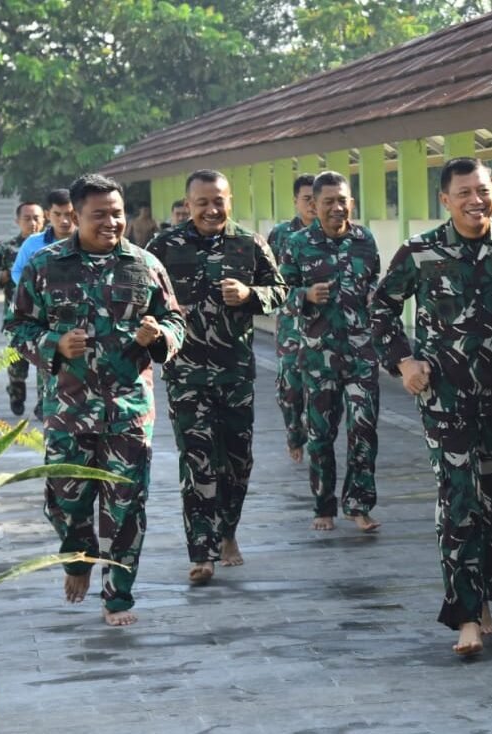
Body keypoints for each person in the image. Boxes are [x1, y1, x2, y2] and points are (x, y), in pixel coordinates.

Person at [370, 157, 492, 656]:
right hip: (446, 399)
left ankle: (482, 598)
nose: (476, 200)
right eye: (465, 193)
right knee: (460, 501)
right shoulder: (421, 252)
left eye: (484, 191)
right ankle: (465, 618)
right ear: (445, 199)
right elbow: (380, 311)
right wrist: (404, 362)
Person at [7, 173, 185, 627]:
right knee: (64, 504)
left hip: (128, 410)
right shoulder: (45, 265)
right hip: (69, 411)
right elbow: (17, 326)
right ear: (76, 217)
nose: (111, 222)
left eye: (117, 213)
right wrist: (54, 344)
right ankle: (77, 559)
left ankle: (118, 596)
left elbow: (176, 323)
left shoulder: (146, 265)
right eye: (99, 214)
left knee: (126, 505)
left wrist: (159, 335)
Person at [146, 169, 287, 586]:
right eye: (202, 202)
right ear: (188, 205)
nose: (211, 209)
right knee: (198, 461)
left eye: (218, 201)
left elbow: (279, 289)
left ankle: (228, 530)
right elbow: (143, 295)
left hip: (236, 373)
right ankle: (201, 551)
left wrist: (251, 295)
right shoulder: (164, 247)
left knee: (238, 460)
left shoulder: (249, 243)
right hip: (185, 375)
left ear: (230, 201)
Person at [281, 171, 382, 532]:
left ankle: (358, 504)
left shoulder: (364, 240)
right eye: (329, 202)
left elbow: (374, 285)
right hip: (318, 355)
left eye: (343, 201)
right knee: (321, 436)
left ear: (351, 202)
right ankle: (323, 506)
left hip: (361, 353)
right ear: (315, 204)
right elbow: (280, 293)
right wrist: (304, 296)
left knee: (364, 427)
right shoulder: (297, 243)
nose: (338, 208)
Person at [10, 189, 78, 420]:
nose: (65, 220)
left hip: (80, 316)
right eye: (58, 214)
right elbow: (17, 271)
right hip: (43, 316)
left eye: (69, 213)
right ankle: (44, 406)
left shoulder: (86, 239)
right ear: (49, 215)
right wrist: (33, 294)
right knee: (46, 362)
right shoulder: (34, 244)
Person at [268, 173, 318, 466]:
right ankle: (294, 433)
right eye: (306, 199)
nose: (312, 205)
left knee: (321, 391)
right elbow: (270, 281)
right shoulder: (281, 234)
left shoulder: (334, 234)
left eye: (316, 199)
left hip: (325, 327)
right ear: (295, 201)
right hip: (291, 325)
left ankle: (316, 439)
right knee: (289, 388)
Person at [0, 201, 44, 415]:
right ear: (17, 221)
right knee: (18, 363)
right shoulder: (5, 249)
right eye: (27, 218)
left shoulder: (52, 246)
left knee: (45, 363)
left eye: (37, 218)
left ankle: (43, 406)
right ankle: (16, 393)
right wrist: (9, 273)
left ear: (44, 219)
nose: (33, 223)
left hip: (44, 317)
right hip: (17, 317)